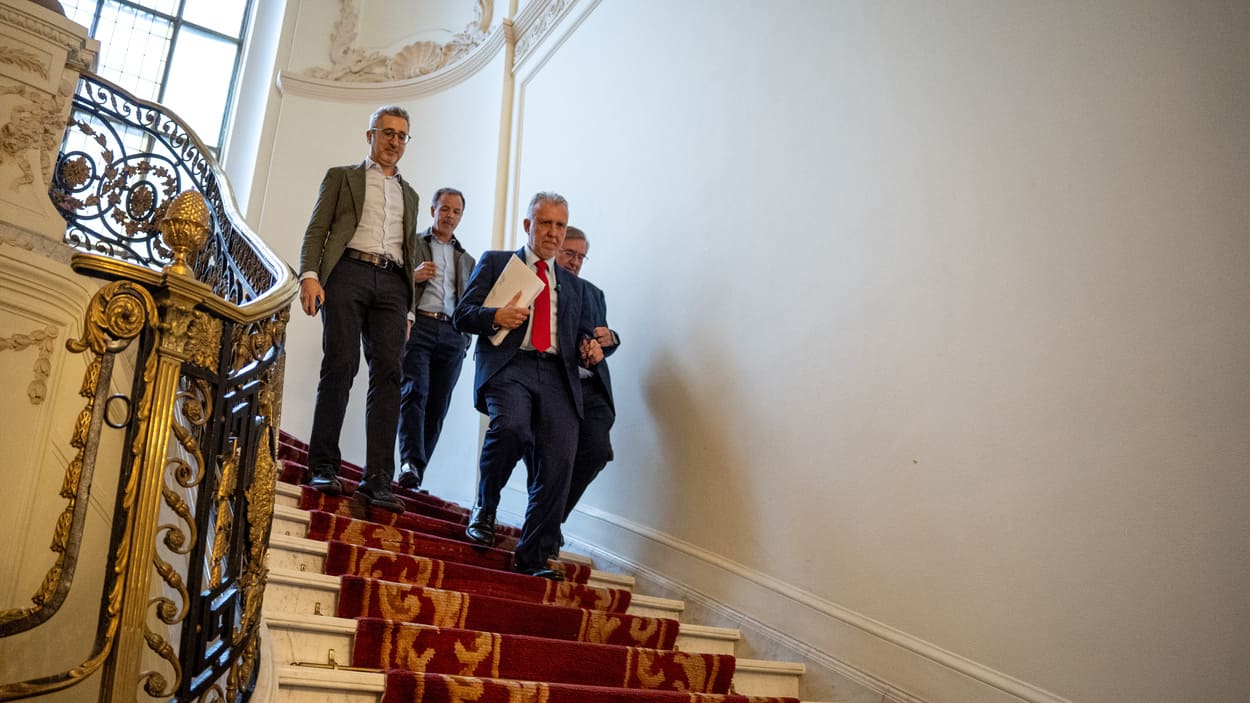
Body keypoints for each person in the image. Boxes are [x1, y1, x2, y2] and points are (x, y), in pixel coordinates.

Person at [452, 192, 603, 580]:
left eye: (560, 225)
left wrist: (589, 347)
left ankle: (533, 556)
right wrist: (495, 316)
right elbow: (462, 315)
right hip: (510, 365)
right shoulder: (496, 262)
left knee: (559, 460)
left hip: (556, 374)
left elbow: (579, 335)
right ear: (527, 226)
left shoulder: (572, 286)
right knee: (513, 427)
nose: (553, 232)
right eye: (546, 223)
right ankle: (485, 507)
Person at [297, 105, 420, 513]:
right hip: (347, 272)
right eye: (387, 132)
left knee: (390, 374)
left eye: (401, 135)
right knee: (341, 363)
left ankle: (379, 479)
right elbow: (317, 229)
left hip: (393, 285)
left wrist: (409, 310)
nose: (394, 141)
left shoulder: (410, 195)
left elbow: (409, 250)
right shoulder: (341, 177)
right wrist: (309, 275)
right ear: (370, 136)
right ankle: (322, 465)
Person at [396, 187, 476, 491]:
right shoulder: (412, 244)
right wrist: (413, 275)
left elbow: (472, 301)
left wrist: (465, 339)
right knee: (414, 392)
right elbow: (390, 280)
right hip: (420, 326)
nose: (449, 216)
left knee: (438, 405)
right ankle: (409, 462)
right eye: (444, 209)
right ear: (433, 211)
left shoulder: (468, 260)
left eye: (456, 211)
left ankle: (416, 473)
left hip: (453, 334)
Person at [553, 226, 618, 522]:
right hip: (554, 385)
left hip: (591, 388)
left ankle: (553, 520)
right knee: (554, 458)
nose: (575, 262)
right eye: (569, 253)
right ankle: (546, 526)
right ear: (555, 250)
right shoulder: (542, 287)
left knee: (598, 451)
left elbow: (600, 338)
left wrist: (610, 340)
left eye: (581, 257)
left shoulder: (594, 293)